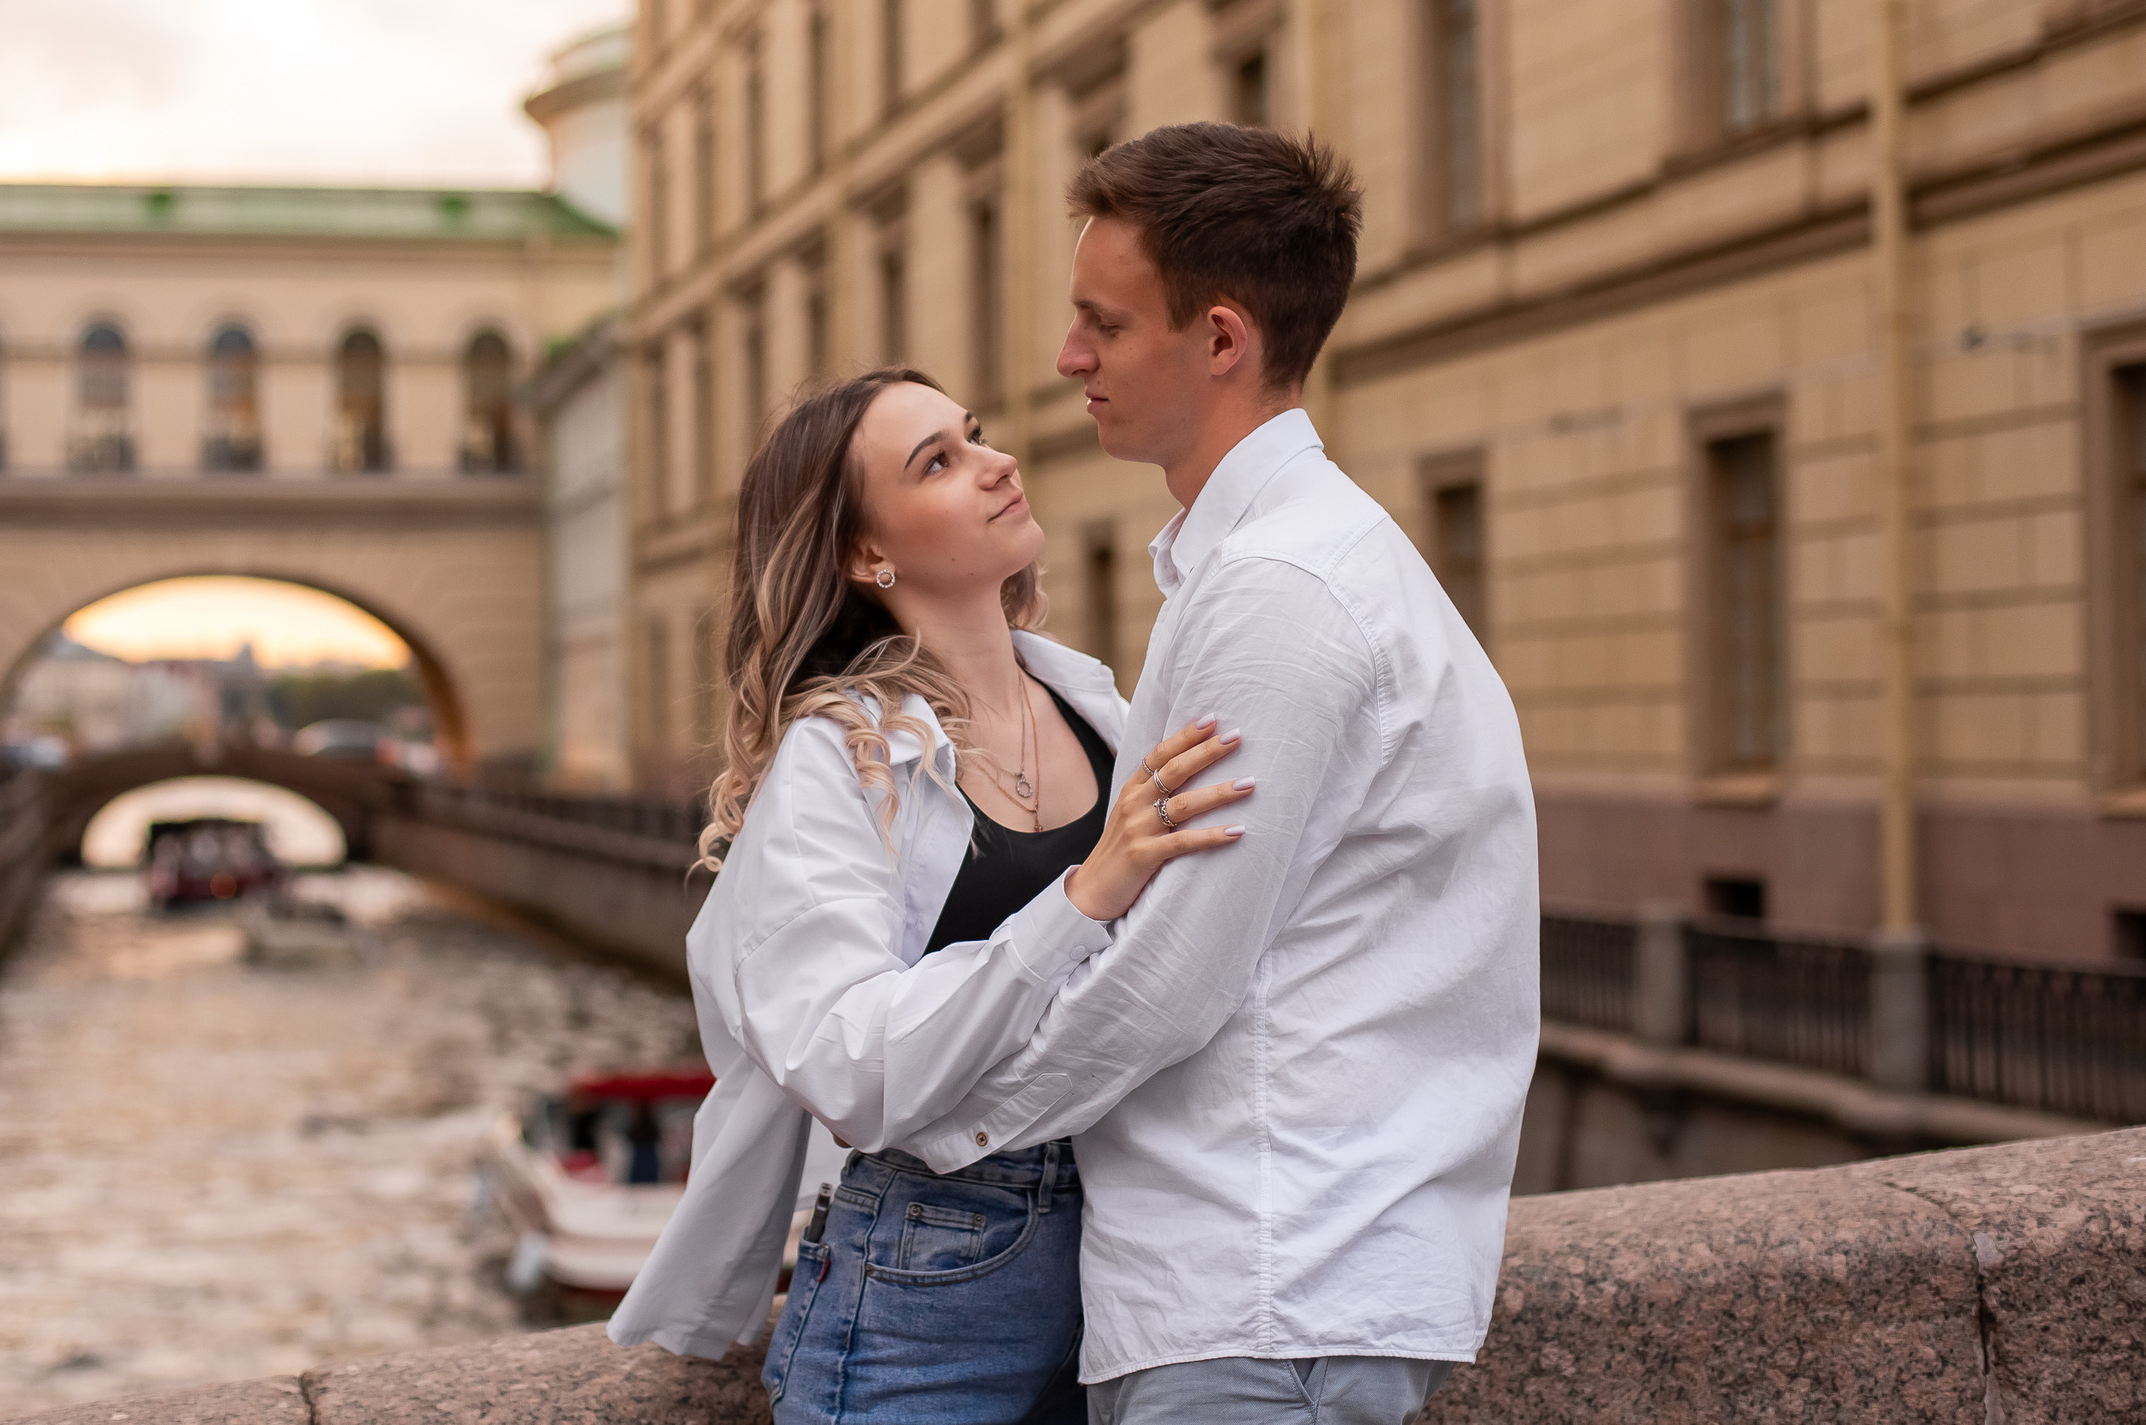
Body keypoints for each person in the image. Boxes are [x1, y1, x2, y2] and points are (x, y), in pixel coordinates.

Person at [883, 124, 1540, 1425]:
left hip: (1266, 1294)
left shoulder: (1280, 591)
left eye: (1104, 323)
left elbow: (1167, 978)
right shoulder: (1281, 563)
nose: (1068, 357)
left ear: (1222, 338)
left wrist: (937, 1135)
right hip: (1271, 1287)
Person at [607, 366, 1258, 1424]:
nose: (998, 462)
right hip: (928, 1282)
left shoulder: (1098, 704)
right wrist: (1078, 902)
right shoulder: (836, 760)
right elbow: (848, 1064)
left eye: (976, 434)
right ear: (867, 553)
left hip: (1138, 1245)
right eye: (938, 463)